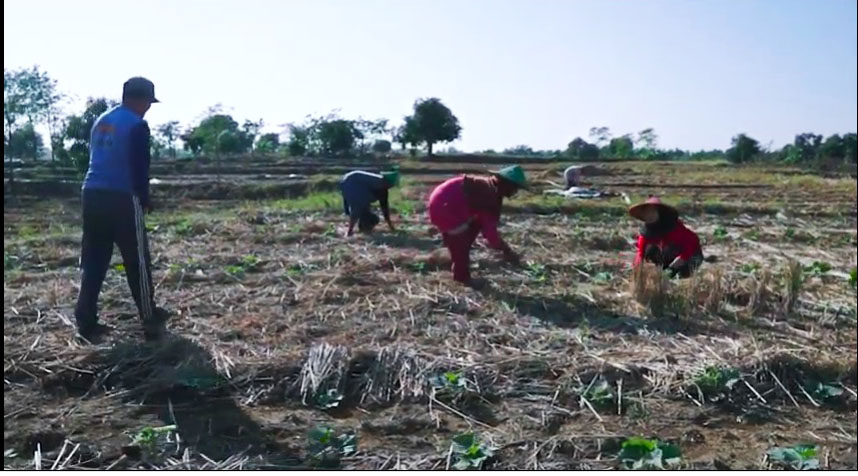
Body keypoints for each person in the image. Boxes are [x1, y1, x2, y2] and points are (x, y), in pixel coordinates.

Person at [74, 77, 171, 342]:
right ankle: (149, 318)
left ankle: (85, 320)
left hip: (91, 193)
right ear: (139, 100)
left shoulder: (102, 120)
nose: (148, 108)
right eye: (148, 102)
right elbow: (140, 166)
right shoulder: (137, 125)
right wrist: (145, 197)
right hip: (122, 196)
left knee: (94, 260)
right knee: (137, 259)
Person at [428, 165, 526, 285]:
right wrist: (507, 251)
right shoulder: (488, 196)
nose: (514, 192)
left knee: (472, 227)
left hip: (442, 202)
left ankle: (453, 257)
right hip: (446, 208)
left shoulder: (486, 185)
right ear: (506, 184)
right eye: (514, 188)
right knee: (461, 243)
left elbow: (483, 225)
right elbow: (491, 235)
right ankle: (462, 277)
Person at [629, 196, 704, 278]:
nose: (649, 215)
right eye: (646, 213)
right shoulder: (645, 233)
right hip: (666, 257)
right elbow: (640, 253)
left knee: (683, 273)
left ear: (659, 212)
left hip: (688, 255)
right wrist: (636, 270)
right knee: (650, 250)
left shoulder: (674, 227)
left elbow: (691, 243)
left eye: (652, 212)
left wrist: (677, 263)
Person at [340, 169, 399, 236]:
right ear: (388, 182)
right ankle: (349, 232)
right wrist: (391, 227)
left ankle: (361, 228)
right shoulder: (380, 186)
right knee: (359, 207)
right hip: (352, 182)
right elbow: (384, 209)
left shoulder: (378, 183)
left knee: (365, 211)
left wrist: (391, 227)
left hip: (347, 180)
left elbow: (384, 208)